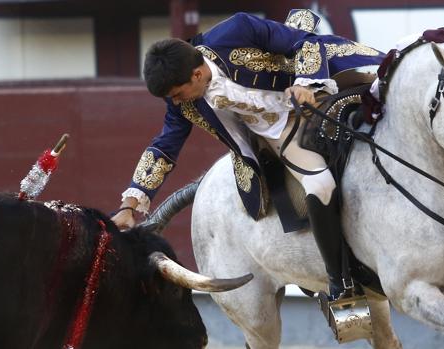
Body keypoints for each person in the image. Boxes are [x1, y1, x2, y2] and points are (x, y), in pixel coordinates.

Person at [112, 9, 384, 301]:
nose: (176, 102)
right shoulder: (181, 103)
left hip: (318, 89)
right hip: (281, 127)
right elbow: (165, 147)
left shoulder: (237, 30)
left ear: (197, 73)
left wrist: (305, 82)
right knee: (319, 184)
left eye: (178, 93)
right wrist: (129, 206)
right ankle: (340, 282)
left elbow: (304, 43)